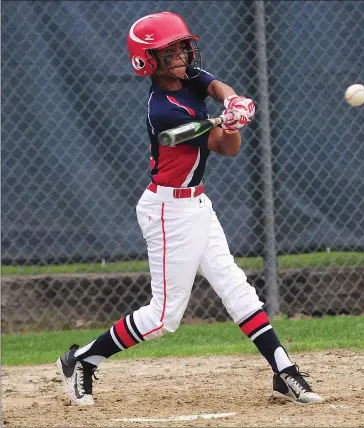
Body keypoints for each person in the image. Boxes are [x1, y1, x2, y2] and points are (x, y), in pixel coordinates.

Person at [56, 11, 322, 406]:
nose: (182, 53)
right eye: (170, 50)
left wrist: (232, 107)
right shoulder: (164, 109)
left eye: (182, 46)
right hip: (168, 213)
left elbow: (225, 127)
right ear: (149, 61)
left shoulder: (189, 77)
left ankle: (284, 372)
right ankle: (82, 360)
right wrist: (224, 125)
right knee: (163, 317)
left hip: (197, 203)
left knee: (238, 290)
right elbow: (216, 142)